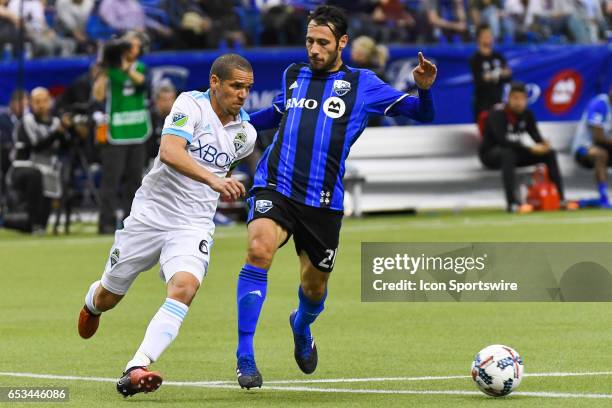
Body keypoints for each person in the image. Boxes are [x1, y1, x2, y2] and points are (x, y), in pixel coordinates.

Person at [232, 5, 436, 389]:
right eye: (309, 40)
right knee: (259, 252)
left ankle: (301, 324)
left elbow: (421, 115)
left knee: (314, 289)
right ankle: (245, 356)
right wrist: (234, 121)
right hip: (275, 185)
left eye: (322, 42)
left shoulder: (363, 84)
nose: (313, 49)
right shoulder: (294, 75)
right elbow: (276, 114)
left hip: (323, 202)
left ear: (342, 43)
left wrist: (423, 92)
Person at [77, 54, 256, 397]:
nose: (243, 95)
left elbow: (225, 171)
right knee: (110, 294)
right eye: (236, 86)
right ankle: (92, 302)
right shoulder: (190, 103)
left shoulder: (244, 134)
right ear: (214, 82)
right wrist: (215, 182)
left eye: (247, 88)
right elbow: (171, 151)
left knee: (185, 287)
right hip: (151, 215)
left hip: (193, 224)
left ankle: (136, 366)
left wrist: (221, 184)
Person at [93, 32, 151, 234]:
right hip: (116, 132)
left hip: (138, 130)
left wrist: (125, 67)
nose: (129, 50)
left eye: (133, 46)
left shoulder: (141, 68)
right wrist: (104, 69)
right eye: (126, 46)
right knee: (111, 180)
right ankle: (106, 223)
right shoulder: (110, 71)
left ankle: (131, 222)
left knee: (135, 181)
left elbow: (143, 84)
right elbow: (98, 95)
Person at [479, 81, 567, 213]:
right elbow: (502, 140)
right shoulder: (497, 113)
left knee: (549, 153)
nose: (519, 102)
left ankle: (561, 200)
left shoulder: (527, 114)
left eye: (522, 99)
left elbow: (535, 136)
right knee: (507, 153)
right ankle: (512, 204)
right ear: (508, 98)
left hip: (516, 153)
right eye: (515, 98)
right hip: (491, 154)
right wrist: (531, 148)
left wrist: (543, 144)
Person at [6, 88, 69, 233]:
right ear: (31, 104)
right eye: (37, 102)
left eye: (44, 101)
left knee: (47, 175)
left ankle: (37, 224)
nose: (41, 105)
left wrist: (71, 131)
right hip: (22, 167)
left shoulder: (55, 122)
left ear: (50, 102)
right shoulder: (26, 122)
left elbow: (66, 147)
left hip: (47, 169)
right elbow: (36, 146)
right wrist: (57, 132)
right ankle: (33, 222)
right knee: (36, 175)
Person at [571, 85, 612, 207]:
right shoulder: (600, 103)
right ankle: (603, 197)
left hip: (607, 147)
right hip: (584, 148)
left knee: (603, 153)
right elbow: (597, 136)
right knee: (600, 154)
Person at [470, 24, 512, 122]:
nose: (489, 37)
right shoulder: (475, 59)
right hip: (482, 104)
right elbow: (479, 81)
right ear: (478, 38)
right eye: (485, 35)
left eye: (490, 35)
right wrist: (499, 74)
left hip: (499, 101)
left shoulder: (498, 56)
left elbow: (508, 76)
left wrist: (491, 76)